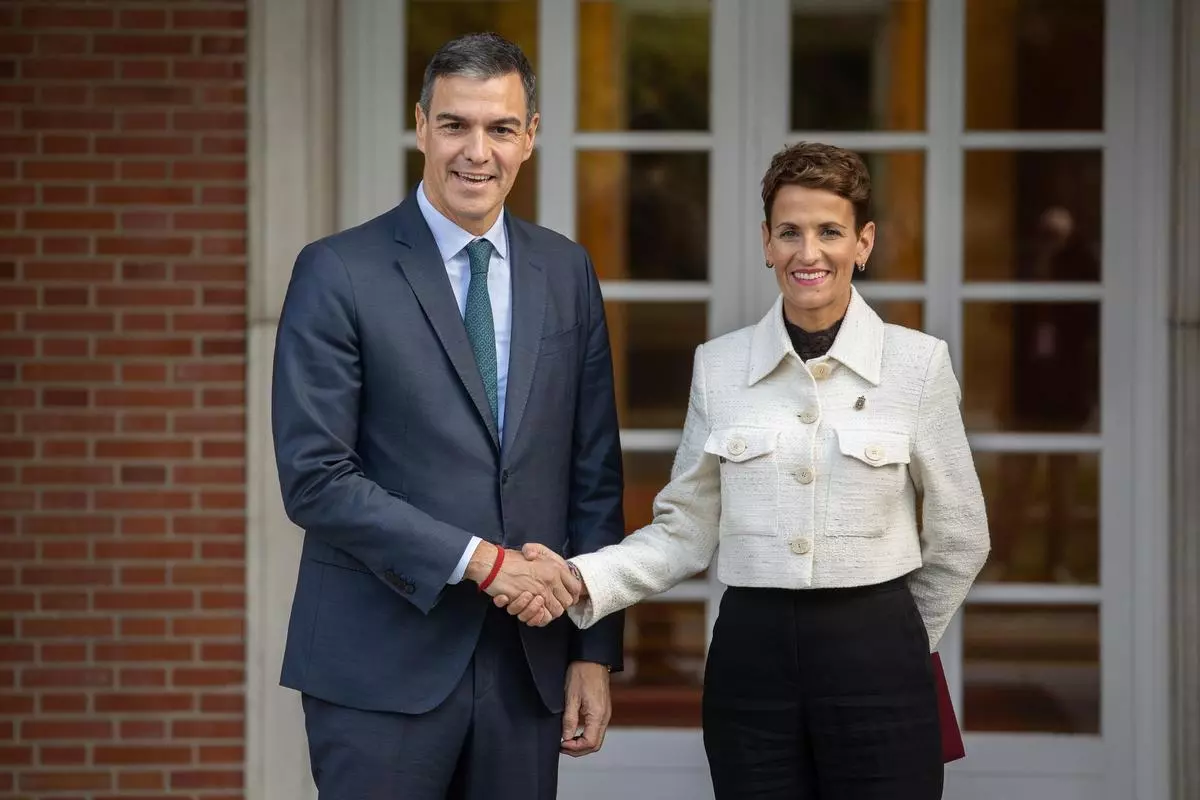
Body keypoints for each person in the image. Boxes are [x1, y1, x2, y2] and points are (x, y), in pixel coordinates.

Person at [501, 142, 991, 798]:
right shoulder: (720, 366)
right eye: (789, 232)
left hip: (880, 657)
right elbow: (684, 531)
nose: (808, 253)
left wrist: (898, 638)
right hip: (751, 662)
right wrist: (578, 577)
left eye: (830, 232)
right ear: (766, 242)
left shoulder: (918, 365)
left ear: (864, 243)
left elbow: (962, 537)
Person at [271, 32, 625, 799]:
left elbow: (593, 473)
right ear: (422, 127)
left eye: (501, 128)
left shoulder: (567, 271)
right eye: (456, 125)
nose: (477, 152)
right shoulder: (338, 271)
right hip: (378, 663)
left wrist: (593, 649)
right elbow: (316, 479)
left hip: (526, 665)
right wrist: (486, 562)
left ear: (530, 136)